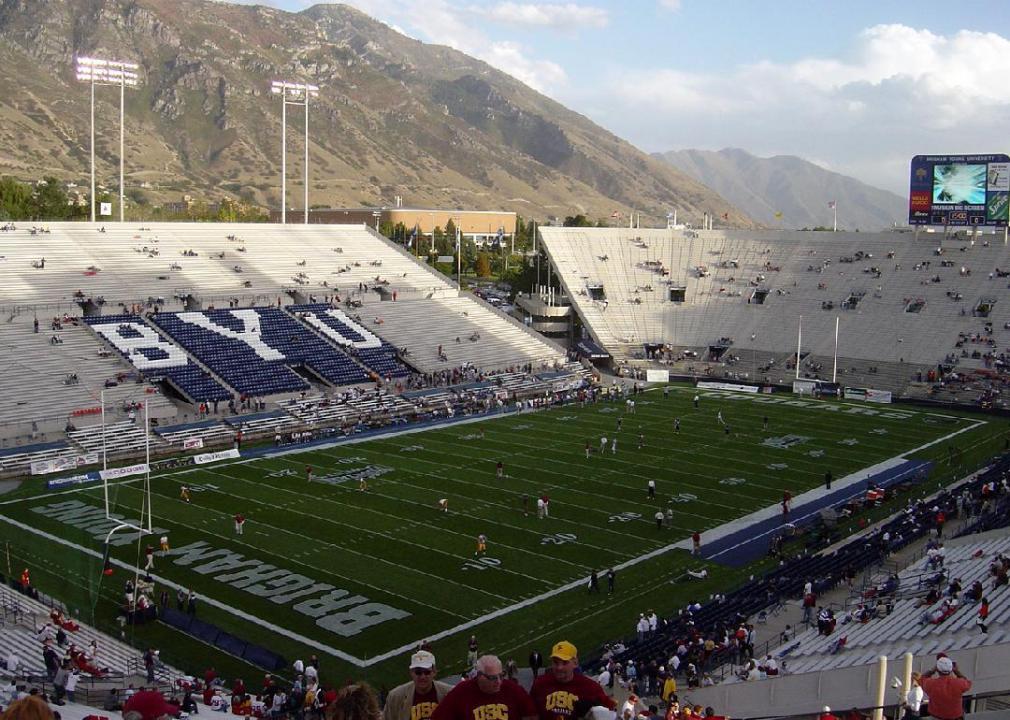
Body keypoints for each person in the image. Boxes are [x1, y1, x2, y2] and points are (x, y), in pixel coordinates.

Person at [430, 655, 536, 720]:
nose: (499, 682)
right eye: (493, 678)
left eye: (501, 675)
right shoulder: (461, 691)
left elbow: (532, 715)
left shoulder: (513, 689)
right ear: (480, 676)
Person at [530, 641, 615, 720]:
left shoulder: (591, 687)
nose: (559, 667)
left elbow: (611, 711)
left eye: (565, 663)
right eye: (556, 662)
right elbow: (530, 712)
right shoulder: (540, 683)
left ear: (575, 663)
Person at [383, 651, 452, 720]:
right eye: (418, 672)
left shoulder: (449, 693)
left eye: (427, 672)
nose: (422, 677)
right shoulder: (396, 697)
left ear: (434, 672)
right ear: (411, 673)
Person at [917, 656, 971, 720]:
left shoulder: (931, 684)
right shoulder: (959, 683)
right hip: (956, 717)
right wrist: (957, 671)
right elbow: (967, 682)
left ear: (938, 670)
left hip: (936, 717)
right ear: (951, 670)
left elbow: (922, 679)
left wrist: (932, 670)